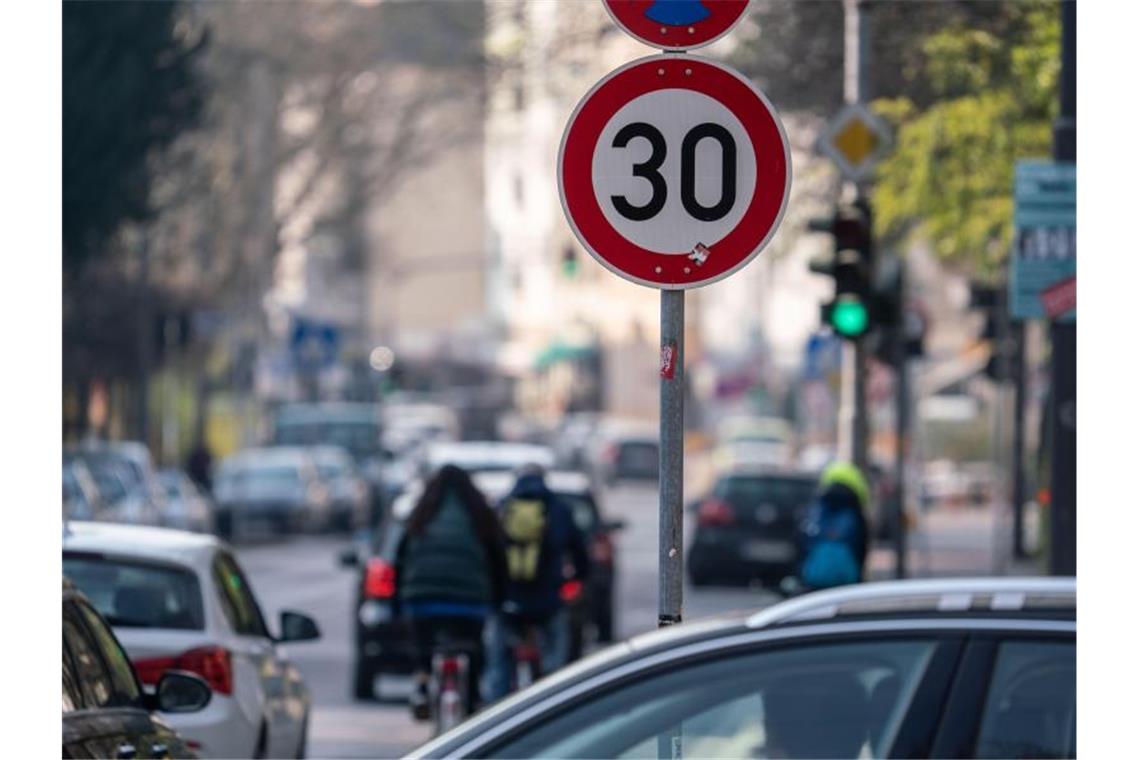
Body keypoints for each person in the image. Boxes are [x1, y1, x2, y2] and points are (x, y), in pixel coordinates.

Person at [393, 464, 507, 719]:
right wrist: (498, 599)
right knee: (473, 648)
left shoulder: (421, 513)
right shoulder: (480, 515)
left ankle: (423, 683)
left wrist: (399, 601)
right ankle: (474, 696)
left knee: (424, 647)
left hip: (422, 601)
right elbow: (498, 559)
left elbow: (400, 560)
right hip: (470, 601)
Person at [485, 464, 590, 702]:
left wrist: (494, 592)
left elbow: (488, 554)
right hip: (548, 600)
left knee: (498, 665)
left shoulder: (502, 508)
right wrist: (574, 580)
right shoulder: (558, 510)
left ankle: (494, 709)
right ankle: (554, 703)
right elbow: (580, 553)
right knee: (556, 665)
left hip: (508, 601)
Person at [797, 461, 871, 589]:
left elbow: (802, 541)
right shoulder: (854, 513)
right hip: (847, 582)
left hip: (814, 580)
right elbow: (861, 548)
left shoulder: (816, 509)